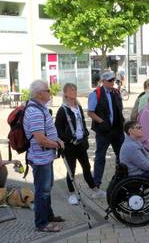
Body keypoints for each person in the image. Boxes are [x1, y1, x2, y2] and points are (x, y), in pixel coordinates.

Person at [23, 80, 65, 232]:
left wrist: (57, 140)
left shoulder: (41, 108)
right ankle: (41, 223)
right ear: (40, 94)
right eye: (48, 90)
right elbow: (40, 140)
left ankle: (48, 215)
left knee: (47, 188)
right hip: (40, 158)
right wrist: (58, 144)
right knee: (42, 191)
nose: (50, 92)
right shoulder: (34, 112)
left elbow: (47, 132)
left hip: (46, 157)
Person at [55, 83, 103, 205]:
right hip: (70, 146)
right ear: (65, 93)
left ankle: (95, 190)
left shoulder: (78, 107)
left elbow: (81, 123)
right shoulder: (63, 110)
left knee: (86, 167)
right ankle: (72, 194)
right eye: (71, 90)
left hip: (81, 143)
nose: (74, 92)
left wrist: (85, 136)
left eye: (75, 89)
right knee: (71, 170)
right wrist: (69, 139)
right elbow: (58, 129)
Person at [88, 70, 125, 189]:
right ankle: (96, 183)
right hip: (103, 131)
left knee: (121, 156)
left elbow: (119, 110)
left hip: (117, 130)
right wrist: (102, 122)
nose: (112, 82)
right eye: (110, 80)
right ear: (103, 81)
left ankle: (121, 180)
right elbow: (90, 112)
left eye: (113, 80)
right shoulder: (96, 94)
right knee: (100, 157)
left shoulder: (116, 92)